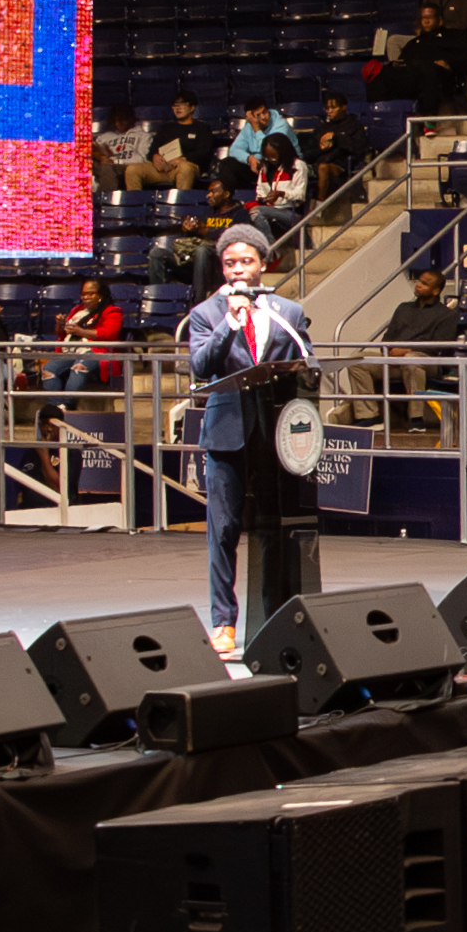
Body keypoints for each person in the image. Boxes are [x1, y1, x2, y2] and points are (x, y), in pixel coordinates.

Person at [176, 225, 316, 654]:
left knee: (275, 528)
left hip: (276, 435)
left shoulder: (287, 312)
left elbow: (306, 365)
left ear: (263, 263)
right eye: (230, 263)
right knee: (223, 530)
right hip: (226, 433)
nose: (238, 269)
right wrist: (229, 325)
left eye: (246, 261)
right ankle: (223, 622)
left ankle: (275, 614)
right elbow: (201, 366)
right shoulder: (206, 313)